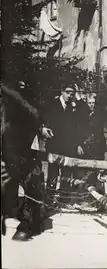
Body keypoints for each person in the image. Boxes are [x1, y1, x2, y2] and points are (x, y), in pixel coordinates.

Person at [1, 82, 46, 241]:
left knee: (32, 179)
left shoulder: (28, 113)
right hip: (8, 153)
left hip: (20, 154)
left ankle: (28, 223)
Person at [43, 83, 86, 190]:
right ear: (62, 91)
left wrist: (79, 144)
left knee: (66, 175)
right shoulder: (52, 104)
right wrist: (43, 127)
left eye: (72, 94)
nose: (69, 96)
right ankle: (50, 199)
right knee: (52, 172)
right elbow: (43, 118)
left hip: (68, 147)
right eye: (67, 93)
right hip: (54, 145)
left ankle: (64, 199)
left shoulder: (75, 107)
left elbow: (79, 126)